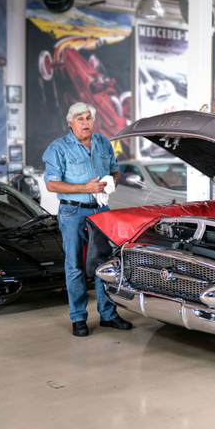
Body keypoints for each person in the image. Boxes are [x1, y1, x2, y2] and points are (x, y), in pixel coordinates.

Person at [43, 102, 131, 337]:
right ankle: (78, 318)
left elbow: (115, 170)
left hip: (101, 210)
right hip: (73, 212)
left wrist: (111, 182)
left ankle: (108, 315)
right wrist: (85, 187)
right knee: (75, 266)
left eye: (89, 118)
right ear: (71, 122)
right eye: (80, 118)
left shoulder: (103, 142)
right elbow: (51, 184)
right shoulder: (58, 148)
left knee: (105, 264)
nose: (85, 123)